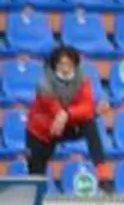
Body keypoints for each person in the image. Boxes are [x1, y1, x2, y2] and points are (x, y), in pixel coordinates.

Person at [26, 45, 112, 190]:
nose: (65, 68)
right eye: (62, 64)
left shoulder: (82, 79)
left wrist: (68, 114)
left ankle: (104, 177)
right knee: (36, 174)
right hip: (42, 130)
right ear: (55, 65)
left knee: (90, 124)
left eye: (69, 64)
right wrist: (63, 114)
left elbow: (86, 106)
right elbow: (52, 107)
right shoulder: (44, 82)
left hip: (66, 124)